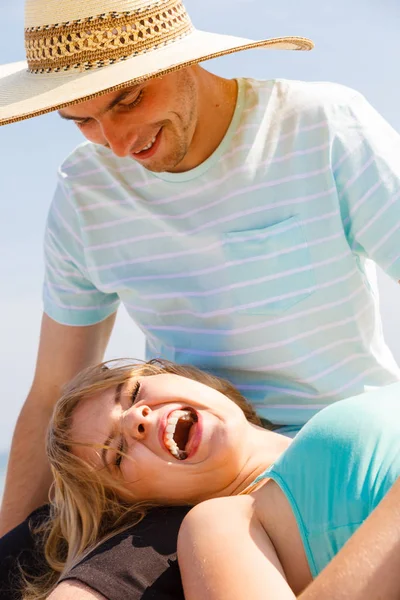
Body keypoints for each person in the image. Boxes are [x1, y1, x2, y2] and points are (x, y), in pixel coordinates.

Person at [1, 0, 400, 597]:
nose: (113, 143)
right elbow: (51, 392)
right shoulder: (87, 195)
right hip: (177, 471)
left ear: (187, 59)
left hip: (341, 450)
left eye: (126, 99)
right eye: (79, 119)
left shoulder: (321, 127)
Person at [21, 358, 400, 600]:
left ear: (177, 375)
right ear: (140, 503)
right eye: (116, 455)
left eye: (133, 392)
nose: (138, 419)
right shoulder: (219, 527)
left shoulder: (332, 412)